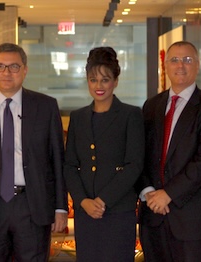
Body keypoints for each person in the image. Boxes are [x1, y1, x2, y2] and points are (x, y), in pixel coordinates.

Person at [0, 43, 68, 261]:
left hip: (32, 206)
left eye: (13, 67)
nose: (6, 72)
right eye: (0, 66)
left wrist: (60, 207)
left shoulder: (46, 107)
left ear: (25, 70)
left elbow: (58, 161)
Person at [137, 41, 201, 262]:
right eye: (174, 60)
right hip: (153, 219)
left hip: (192, 223)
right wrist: (148, 191)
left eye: (187, 60)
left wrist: (167, 194)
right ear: (165, 66)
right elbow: (141, 154)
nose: (181, 65)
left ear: (197, 66)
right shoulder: (151, 106)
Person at [63, 47, 145, 261]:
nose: (99, 86)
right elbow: (70, 165)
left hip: (118, 211)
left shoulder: (131, 115)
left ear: (115, 81)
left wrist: (102, 201)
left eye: (105, 80)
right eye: (93, 80)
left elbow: (134, 165)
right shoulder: (78, 117)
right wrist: (83, 201)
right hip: (86, 213)